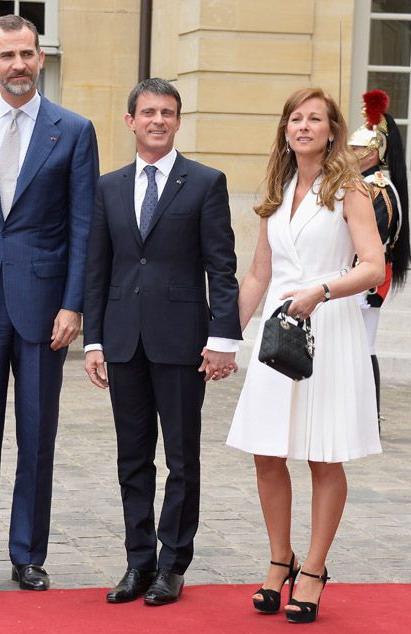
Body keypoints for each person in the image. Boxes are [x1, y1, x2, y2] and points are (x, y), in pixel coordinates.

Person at [0, 15, 99, 592]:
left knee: (37, 435)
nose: (18, 65)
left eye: (27, 54)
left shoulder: (74, 130)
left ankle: (29, 554)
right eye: (6, 55)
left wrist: (73, 303)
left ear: (41, 58)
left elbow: (84, 225)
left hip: (44, 309)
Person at [226, 87, 384, 623]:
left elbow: (373, 266)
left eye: (315, 118)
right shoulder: (279, 187)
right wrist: (223, 335)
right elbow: (258, 275)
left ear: (332, 131)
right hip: (278, 334)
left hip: (330, 328)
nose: (304, 126)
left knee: (322, 454)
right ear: (285, 129)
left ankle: (313, 569)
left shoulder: (351, 190)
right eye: (296, 118)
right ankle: (279, 560)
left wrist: (322, 290)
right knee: (266, 451)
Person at [83, 78, 241, 606]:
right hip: (123, 341)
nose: (157, 120)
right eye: (147, 112)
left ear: (177, 121)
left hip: (182, 342)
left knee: (181, 457)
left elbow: (222, 267)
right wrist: (94, 341)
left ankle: (173, 564)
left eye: (167, 112)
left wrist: (223, 336)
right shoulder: (108, 186)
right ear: (130, 121)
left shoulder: (205, 183)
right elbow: (98, 269)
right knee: (132, 458)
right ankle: (137, 563)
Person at [348, 89, 411, 427]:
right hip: (359, 276)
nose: (351, 153)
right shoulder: (364, 185)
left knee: (362, 345)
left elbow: (372, 240)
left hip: (366, 279)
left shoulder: (379, 190)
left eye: (357, 148)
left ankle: (367, 414)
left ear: (374, 153)